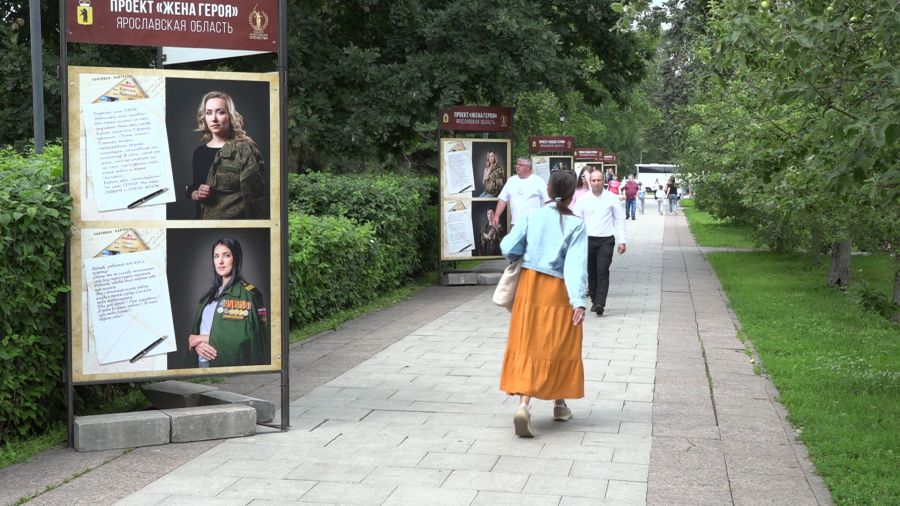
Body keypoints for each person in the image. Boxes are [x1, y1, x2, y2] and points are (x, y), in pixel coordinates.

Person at [499, 170, 588, 438]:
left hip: (529, 287)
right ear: (573, 196)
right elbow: (575, 266)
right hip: (558, 291)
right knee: (559, 344)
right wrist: (579, 301)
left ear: (548, 190)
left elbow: (508, 246)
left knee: (528, 343)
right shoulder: (576, 225)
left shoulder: (532, 216)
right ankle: (559, 405)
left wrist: (521, 255)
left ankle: (524, 405)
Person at [188, 238, 270, 368]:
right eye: (216, 256)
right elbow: (198, 331)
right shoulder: (209, 295)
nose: (220, 261)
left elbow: (250, 337)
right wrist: (197, 344)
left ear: (236, 258)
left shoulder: (249, 294)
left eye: (226, 255)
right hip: (202, 363)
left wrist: (202, 338)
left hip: (226, 365)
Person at [185, 91, 267, 219]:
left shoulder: (243, 150)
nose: (214, 118)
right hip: (203, 222)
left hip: (235, 224)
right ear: (204, 117)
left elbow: (255, 197)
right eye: (209, 112)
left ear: (230, 116)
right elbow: (196, 187)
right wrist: (195, 193)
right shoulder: (199, 153)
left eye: (220, 112)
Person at [573, 170, 627, 317]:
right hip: (588, 240)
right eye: (594, 180)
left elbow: (619, 219)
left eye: (599, 180)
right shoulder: (583, 199)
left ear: (604, 181)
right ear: (590, 182)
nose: (596, 183)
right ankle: (594, 298)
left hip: (606, 239)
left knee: (602, 270)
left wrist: (622, 240)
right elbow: (576, 221)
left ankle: (600, 303)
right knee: (591, 272)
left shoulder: (612, 198)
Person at [492, 157, 549, 229]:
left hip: (533, 224)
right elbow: (502, 199)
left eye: (520, 164)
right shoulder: (511, 181)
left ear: (528, 168)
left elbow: (548, 201)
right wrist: (497, 216)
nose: (517, 166)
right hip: (516, 224)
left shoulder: (538, 181)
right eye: (516, 164)